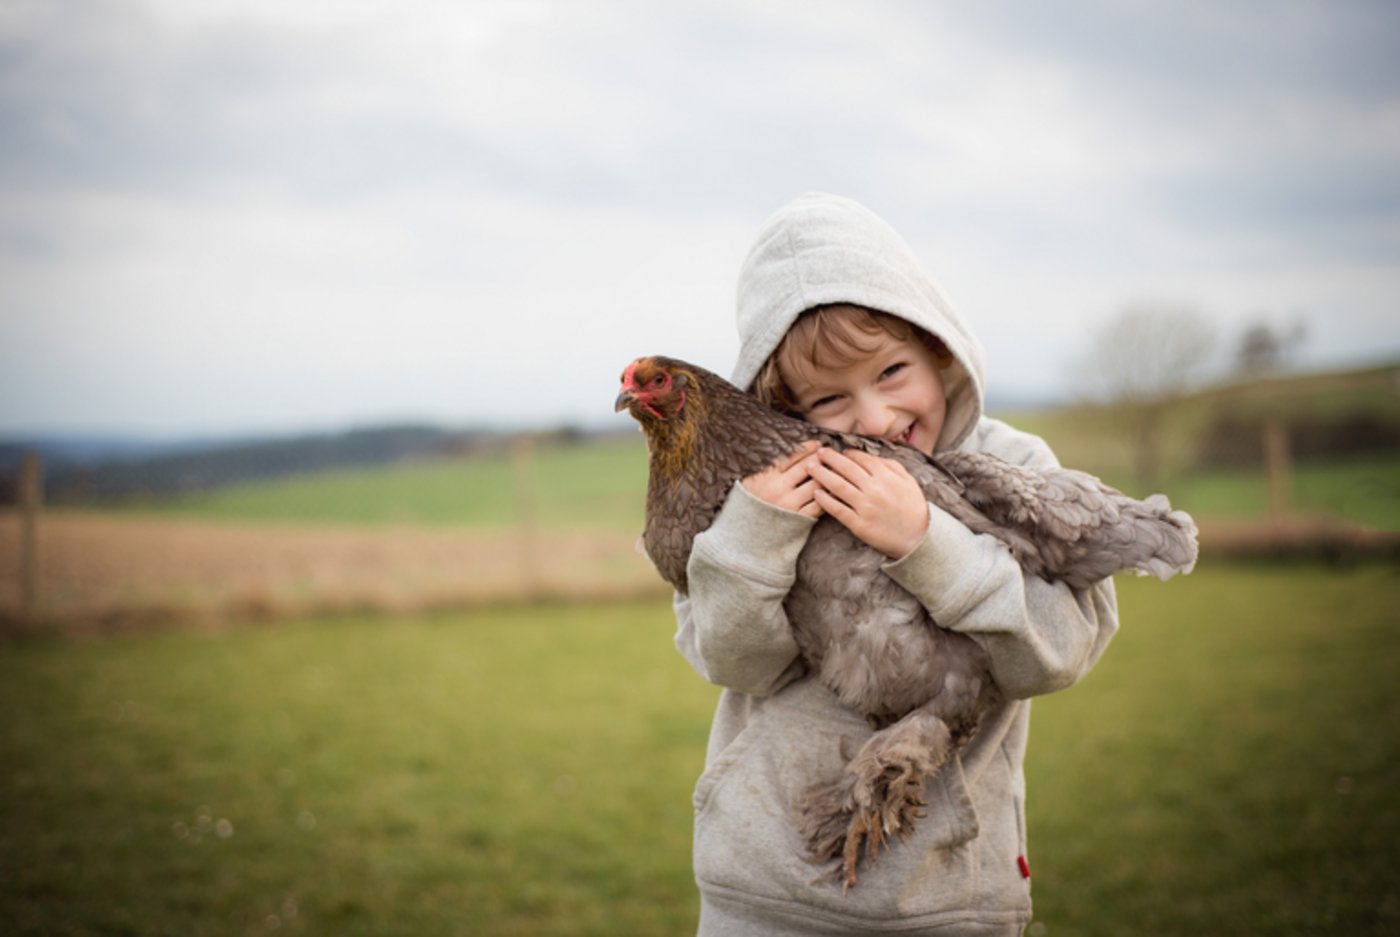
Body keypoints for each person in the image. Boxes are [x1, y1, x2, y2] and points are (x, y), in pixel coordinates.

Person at [673, 192, 1120, 936]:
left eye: (891, 371)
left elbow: (1061, 649)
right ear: (781, 407)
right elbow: (735, 661)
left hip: (945, 897)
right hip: (759, 890)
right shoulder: (752, 495)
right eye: (828, 398)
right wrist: (757, 535)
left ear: (937, 348)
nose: (876, 419)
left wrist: (926, 543)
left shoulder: (1013, 466)